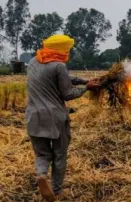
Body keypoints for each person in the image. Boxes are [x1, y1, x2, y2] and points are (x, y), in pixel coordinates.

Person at [25, 34, 100, 202]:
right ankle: (57, 191)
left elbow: (65, 78)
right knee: (59, 155)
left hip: (33, 117)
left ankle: (41, 175)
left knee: (42, 154)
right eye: (67, 50)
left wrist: (84, 80)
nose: (69, 53)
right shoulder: (58, 66)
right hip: (55, 119)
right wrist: (86, 87)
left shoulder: (33, 62)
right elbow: (68, 93)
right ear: (61, 50)